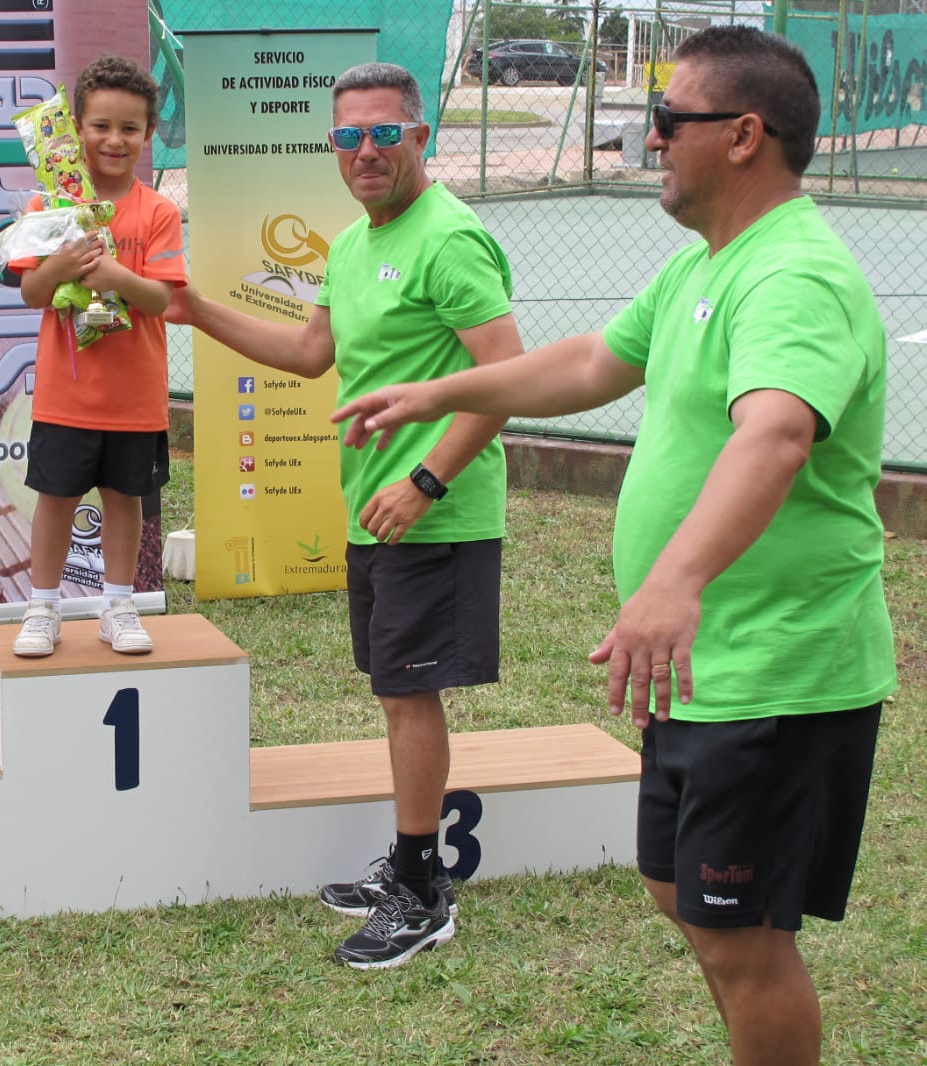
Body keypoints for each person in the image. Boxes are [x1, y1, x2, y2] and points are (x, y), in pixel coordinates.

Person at [332, 27, 893, 1064]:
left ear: (743, 136)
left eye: (668, 118)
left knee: (740, 938)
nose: (651, 138)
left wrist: (675, 581)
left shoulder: (795, 276)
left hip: (778, 671)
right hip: (704, 671)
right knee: (680, 894)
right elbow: (592, 361)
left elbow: (773, 435)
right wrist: (439, 391)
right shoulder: (705, 266)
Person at [169, 62, 524, 970]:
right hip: (376, 510)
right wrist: (196, 310)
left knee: (408, 692)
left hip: (434, 514)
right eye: (348, 136)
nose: (365, 151)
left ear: (420, 136)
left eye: (383, 133)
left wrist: (426, 482)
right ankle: (409, 864)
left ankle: (422, 891)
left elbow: (507, 379)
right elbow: (308, 350)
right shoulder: (354, 243)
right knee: (394, 688)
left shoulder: (450, 238)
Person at [8, 54, 186, 658]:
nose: (114, 140)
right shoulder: (47, 209)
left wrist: (114, 275)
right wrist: (63, 262)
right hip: (67, 394)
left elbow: (161, 299)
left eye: (129, 128)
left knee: (124, 499)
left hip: (135, 396)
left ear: (149, 133)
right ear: (76, 128)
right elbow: (33, 293)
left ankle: (118, 604)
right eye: (100, 126)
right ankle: (42, 607)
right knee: (56, 499)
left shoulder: (158, 211)